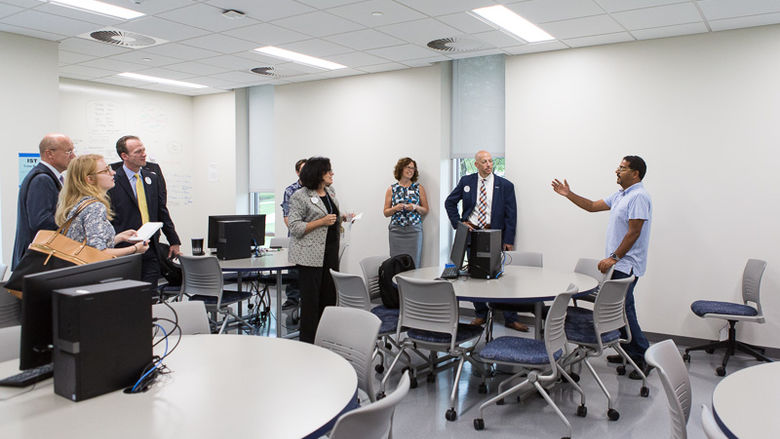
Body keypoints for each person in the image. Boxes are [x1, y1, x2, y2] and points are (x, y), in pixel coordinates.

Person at [551, 155, 652, 379]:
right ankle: (630, 350)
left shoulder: (638, 197)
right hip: (620, 264)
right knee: (623, 310)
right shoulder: (621, 196)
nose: (617, 171)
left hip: (626, 265)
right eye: (618, 167)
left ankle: (643, 356)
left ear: (635, 173)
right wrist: (569, 195)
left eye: (623, 168)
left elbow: (634, 232)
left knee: (623, 311)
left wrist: (614, 257)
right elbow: (592, 206)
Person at [444, 150, 526, 332]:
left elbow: (511, 215)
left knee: (501, 279)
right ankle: (480, 314)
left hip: (494, 235)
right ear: (476, 165)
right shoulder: (466, 181)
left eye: (490, 161)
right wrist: (459, 224)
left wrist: (508, 239)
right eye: (484, 162)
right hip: (472, 234)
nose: (489, 164)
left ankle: (510, 318)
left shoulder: (505, 185)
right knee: (475, 276)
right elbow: (450, 202)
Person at [287, 157, 349, 343]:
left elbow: (331, 217)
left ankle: (325, 337)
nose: (332, 174)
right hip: (310, 255)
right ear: (318, 174)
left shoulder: (330, 191)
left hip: (330, 251)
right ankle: (308, 341)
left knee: (329, 297)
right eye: (328, 171)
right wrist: (321, 222)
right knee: (311, 302)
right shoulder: (300, 196)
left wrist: (343, 217)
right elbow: (295, 227)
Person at [108, 135, 181, 288]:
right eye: (138, 151)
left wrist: (173, 240)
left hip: (150, 247)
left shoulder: (151, 178)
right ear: (124, 156)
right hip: (125, 249)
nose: (143, 154)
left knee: (150, 296)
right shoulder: (112, 180)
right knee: (129, 297)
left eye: (143, 150)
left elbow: (161, 210)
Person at [55, 154, 149, 257]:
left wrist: (119, 237)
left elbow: (88, 245)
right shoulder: (94, 207)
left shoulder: (80, 203)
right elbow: (98, 253)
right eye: (106, 171)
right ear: (90, 179)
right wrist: (135, 249)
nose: (113, 173)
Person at [12, 133, 75, 269]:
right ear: (49, 154)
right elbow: (41, 221)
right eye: (68, 152)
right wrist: (74, 223)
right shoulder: (42, 179)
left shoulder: (49, 177)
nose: (73, 156)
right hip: (38, 259)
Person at [383, 157, 428, 267]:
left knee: (414, 264)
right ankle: (395, 284)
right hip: (396, 231)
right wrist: (395, 208)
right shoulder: (392, 189)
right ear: (401, 169)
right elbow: (385, 212)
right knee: (396, 264)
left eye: (413, 168)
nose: (411, 170)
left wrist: (415, 207)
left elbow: (425, 210)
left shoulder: (418, 188)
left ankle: (411, 285)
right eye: (408, 167)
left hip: (414, 231)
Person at [280, 158, 306, 310]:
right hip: (297, 236)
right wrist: (300, 229)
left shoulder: (315, 189)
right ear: (297, 172)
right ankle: (292, 299)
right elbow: (287, 217)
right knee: (294, 270)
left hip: (313, 238)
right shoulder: (291, 191)